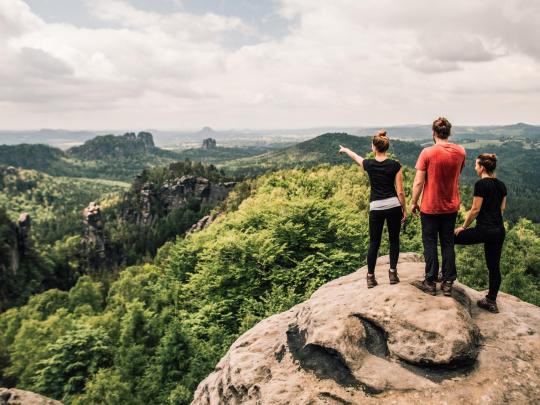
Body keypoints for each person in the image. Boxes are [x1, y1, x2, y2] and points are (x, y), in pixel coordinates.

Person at [339, 131, 407, 288]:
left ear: (374, 147)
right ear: (386, 147)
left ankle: (370, 277)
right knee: (394, 240)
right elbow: (401, 191)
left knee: (374, 243)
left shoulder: (369, 164)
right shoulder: (395, 165)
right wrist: (404, 209)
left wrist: (345, 149)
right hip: (393, 206)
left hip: (376, 207)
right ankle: (392, 274)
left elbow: (356, 157)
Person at [410, 117, 466, 296]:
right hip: (451, 206)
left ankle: (430, 281)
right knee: (448, 243)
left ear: (433, 133)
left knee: (430, 242)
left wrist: (413, 202)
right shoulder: (460, 152)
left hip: (430, 206)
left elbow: (419, 182)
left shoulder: (427, 152)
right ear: (449, 133)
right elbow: (457, 173)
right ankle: (448, 282)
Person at [454, 154, 506, 313]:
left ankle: (446, 275)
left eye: (476, 165)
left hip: (484, 230)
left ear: (482, 167)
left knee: (450, 238)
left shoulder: (481, 184)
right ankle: (491, 300)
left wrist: (463, 226)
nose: (475, 168)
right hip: (498, 230)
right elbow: (502, 209)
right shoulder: (502, 185)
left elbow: (475, 209)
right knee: (494, 267)